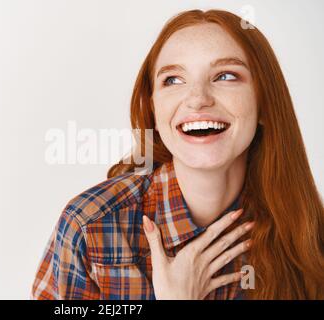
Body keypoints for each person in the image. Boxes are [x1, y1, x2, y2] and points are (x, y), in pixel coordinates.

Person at [31, 9, 324, 300]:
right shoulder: (90, 228)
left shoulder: (309, 232)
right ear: (152, 107)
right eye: (173, 80)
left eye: (225, 76)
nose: (197, 99)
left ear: (265, 104)